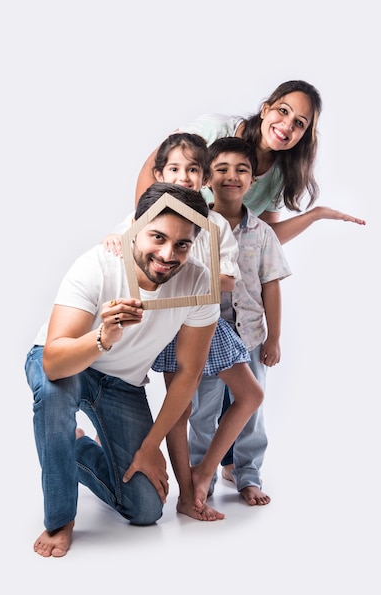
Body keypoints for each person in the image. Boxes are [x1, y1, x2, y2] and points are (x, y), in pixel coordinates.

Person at [26, 182, 241, 558]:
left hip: (122, 383)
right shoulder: (96, 265)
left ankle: (74, 448)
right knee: (54, 396)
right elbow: (53, 362)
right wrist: (103, 337)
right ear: (135, 227)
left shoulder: (198, 282)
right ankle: (60, 520)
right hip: (69, 361)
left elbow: (188, 374)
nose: (167, 254)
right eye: (157, 237)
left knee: (145, 510)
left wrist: (150, 446)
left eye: (182, 244)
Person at [103, 133, 264, 519]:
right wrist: (113, 237)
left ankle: (204, 471)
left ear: (205, 178)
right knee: (182, 407)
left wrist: (194, 272)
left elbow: (229, 279)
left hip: (205, 319)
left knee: (251, 395)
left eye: (193, 169)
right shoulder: (144, 215)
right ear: (160, 173)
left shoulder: (213, 225)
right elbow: (122, 249)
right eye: (175, 168)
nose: (184, 176)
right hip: (167, 324)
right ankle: (187, 494)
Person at [135, 79, 366, 244]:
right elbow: (154, 167)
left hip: (209, 259)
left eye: (299, 123)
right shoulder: (215, 129)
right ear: (265, 109)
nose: (287, 125)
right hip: (164, 240)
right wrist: (140, 228)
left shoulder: (279, 175)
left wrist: (313, 215)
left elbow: (262, 236)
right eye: (283, 111)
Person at [188, 136, 292, 506]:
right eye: (222, 169)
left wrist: (274, 337)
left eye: (242, 170)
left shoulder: (262, 233)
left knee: (251, 411)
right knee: (203, 410)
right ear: (206, 179)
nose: (232, 176)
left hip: (248, 337)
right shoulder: (196, 228)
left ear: (252, 181)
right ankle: (201, 478)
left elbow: (272, 287)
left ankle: (248, 476)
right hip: (206, 337)